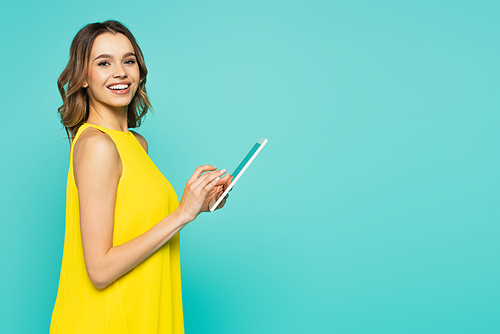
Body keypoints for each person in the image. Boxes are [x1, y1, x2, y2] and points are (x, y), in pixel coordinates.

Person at [50, 20, 231, 334]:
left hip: (143, 314)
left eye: (128, 61)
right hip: (109, 321)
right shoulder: (97, 145)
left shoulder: (135, 144)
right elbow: (100, 270)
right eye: (104, 63)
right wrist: (182, 214)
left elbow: (137, 227)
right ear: (83, 78)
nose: (120, 72)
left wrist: (199, 205)